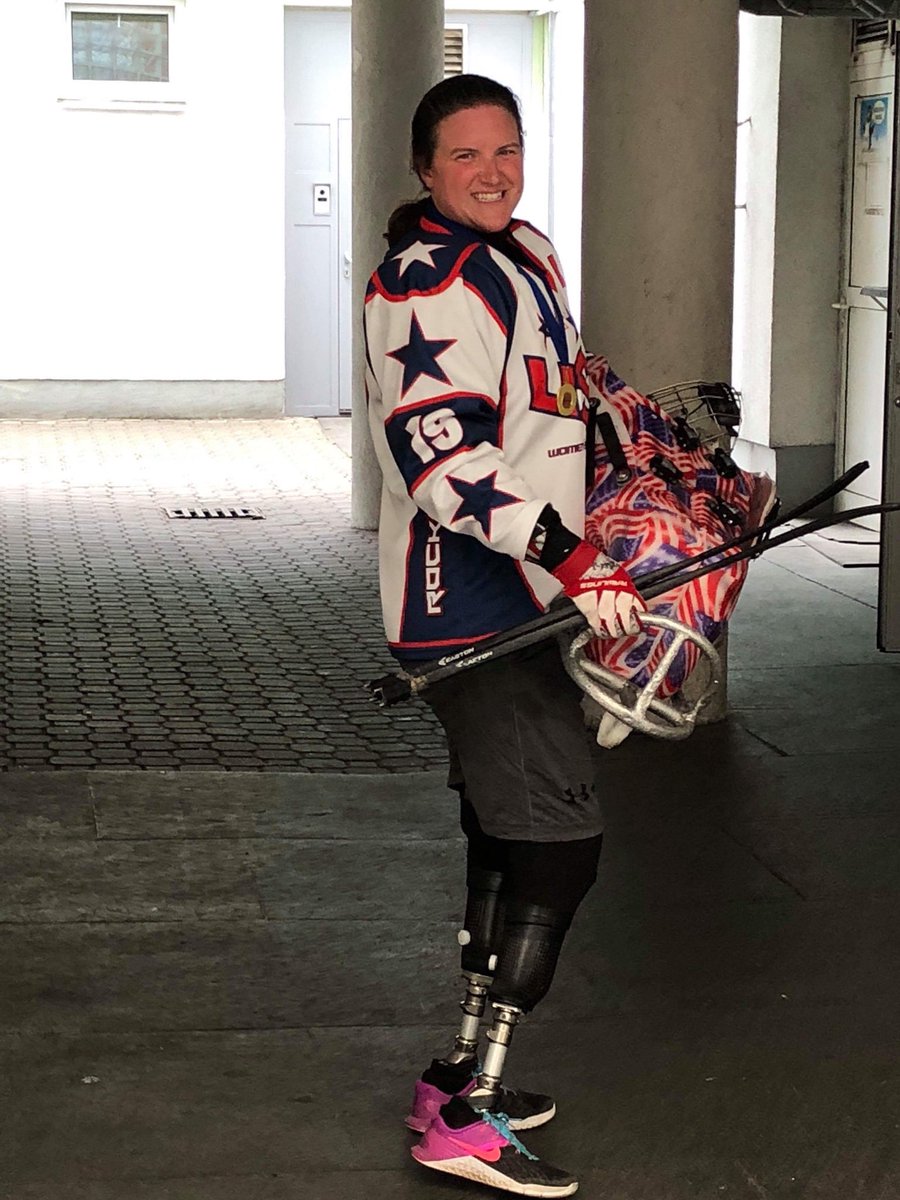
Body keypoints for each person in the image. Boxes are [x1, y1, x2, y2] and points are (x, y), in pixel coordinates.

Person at [363, 73, 646, 1197]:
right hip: (466, 609)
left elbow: (559, 400)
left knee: (502, 839)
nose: (493, 170)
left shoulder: (522, 253)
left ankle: (456, 1080)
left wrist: (643, 437)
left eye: (508, 149)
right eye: (468, 155)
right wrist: (569, 554)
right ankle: (462, 1122)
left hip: (529, 600)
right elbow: (442, 465)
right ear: (426, 170)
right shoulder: (425, 285)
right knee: (555, 846)